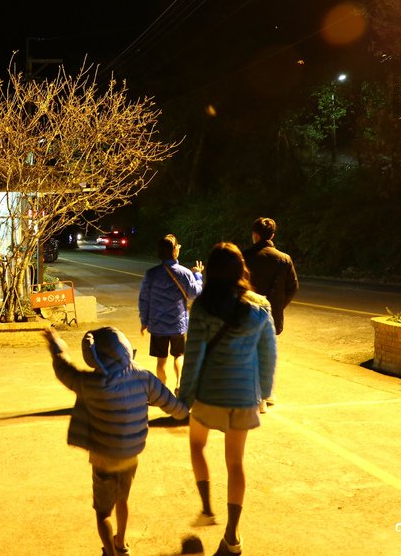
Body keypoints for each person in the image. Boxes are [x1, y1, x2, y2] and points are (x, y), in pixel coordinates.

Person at [43, 325, 189, 556]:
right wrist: (187, 409)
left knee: (103, 512)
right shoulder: (143, 377)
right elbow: (173, 407)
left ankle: (110, 552)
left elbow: (64, 371)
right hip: (131, 455)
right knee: (123, 499)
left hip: (103, 458)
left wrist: (56, 346)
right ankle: (121, 543)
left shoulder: (89, 383)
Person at [177, 242, 277, 555]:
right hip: (243, 395)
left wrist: (184, 397)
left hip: (209, 394)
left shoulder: (204, 307)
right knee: (235, 463)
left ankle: (207, 509)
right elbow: (268, 355)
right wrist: (263, 393)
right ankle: (232, 538)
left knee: (196, 445)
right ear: (240, 269)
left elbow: (193, 356)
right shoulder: (260, 306)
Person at [242, 217, 297, 411]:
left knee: (250, 353)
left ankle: (256, 396)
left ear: (255, 235)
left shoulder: (244, 256)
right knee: (267, 353)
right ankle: (266, 394)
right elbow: (292, 288)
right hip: (271, 314)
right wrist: (278, 305)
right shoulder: (284, 259)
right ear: (272, 235)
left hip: (246, 312)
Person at [139, 234, 204, 392]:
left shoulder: (151, 273)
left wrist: (144, 321)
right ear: (175, 251)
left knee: (161, 361)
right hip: (178, 324)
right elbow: (195, 293)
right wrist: (198, 275)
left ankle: (162, 389)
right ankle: (179, 384)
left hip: (158, 325)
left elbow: (144, 299)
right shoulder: (184, 273)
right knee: (179, 355)